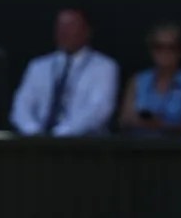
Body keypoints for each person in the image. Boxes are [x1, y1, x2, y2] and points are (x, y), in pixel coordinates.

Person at [9, 8, 119, 137]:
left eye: (71, 26)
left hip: (83, 143)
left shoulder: (104, 67)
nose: (64, 31)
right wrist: (33, 131)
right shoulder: (38, 66)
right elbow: (22, 104)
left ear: (87, 31)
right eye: (60, 26)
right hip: (36, 140)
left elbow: (99, 110)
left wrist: (60, 135)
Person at [118, 21, 181, 137]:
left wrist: (160, 124)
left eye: (171, 47)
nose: (165, 52)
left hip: (176, 148)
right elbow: (124, 120)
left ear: (180, 51)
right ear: (151, 50)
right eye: (158, 47)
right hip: (138, 146)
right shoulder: (138, 81)